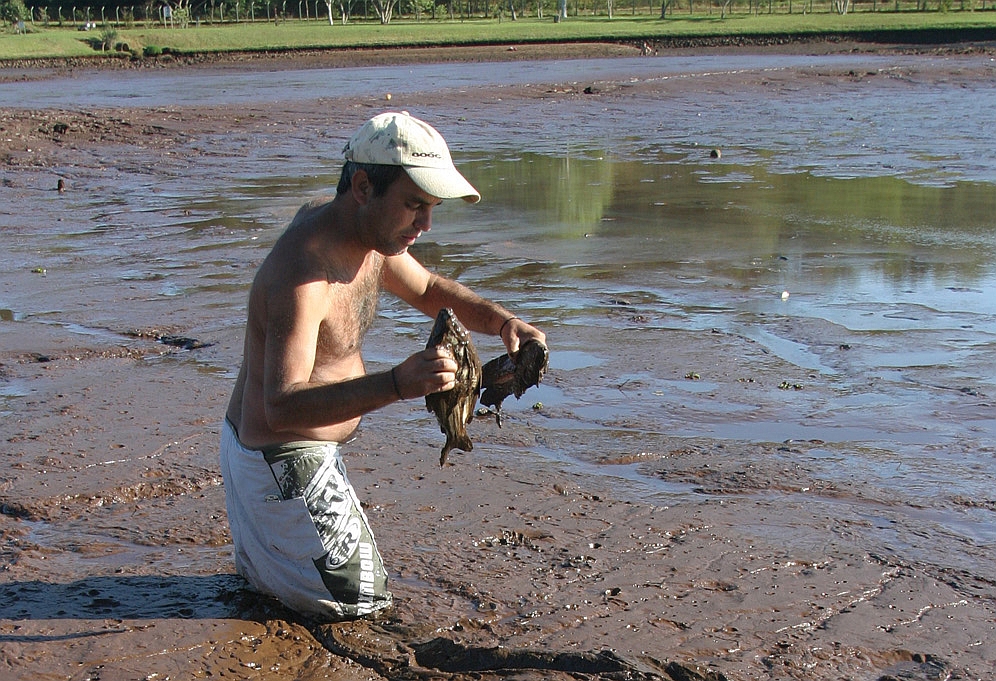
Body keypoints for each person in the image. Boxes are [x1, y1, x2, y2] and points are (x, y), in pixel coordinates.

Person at [220, 111, 546, 621]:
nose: (426, 224)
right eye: (414, 205)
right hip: (279, 462)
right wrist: (398, 383)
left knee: (288, 592)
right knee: (361, 603)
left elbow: (428, 289)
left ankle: (273, 573)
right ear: (363, 186)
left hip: (289, 454)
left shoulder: (368, 234)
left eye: (433, 208)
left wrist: (504, 323)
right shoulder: (304, 274)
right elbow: (281, 406)